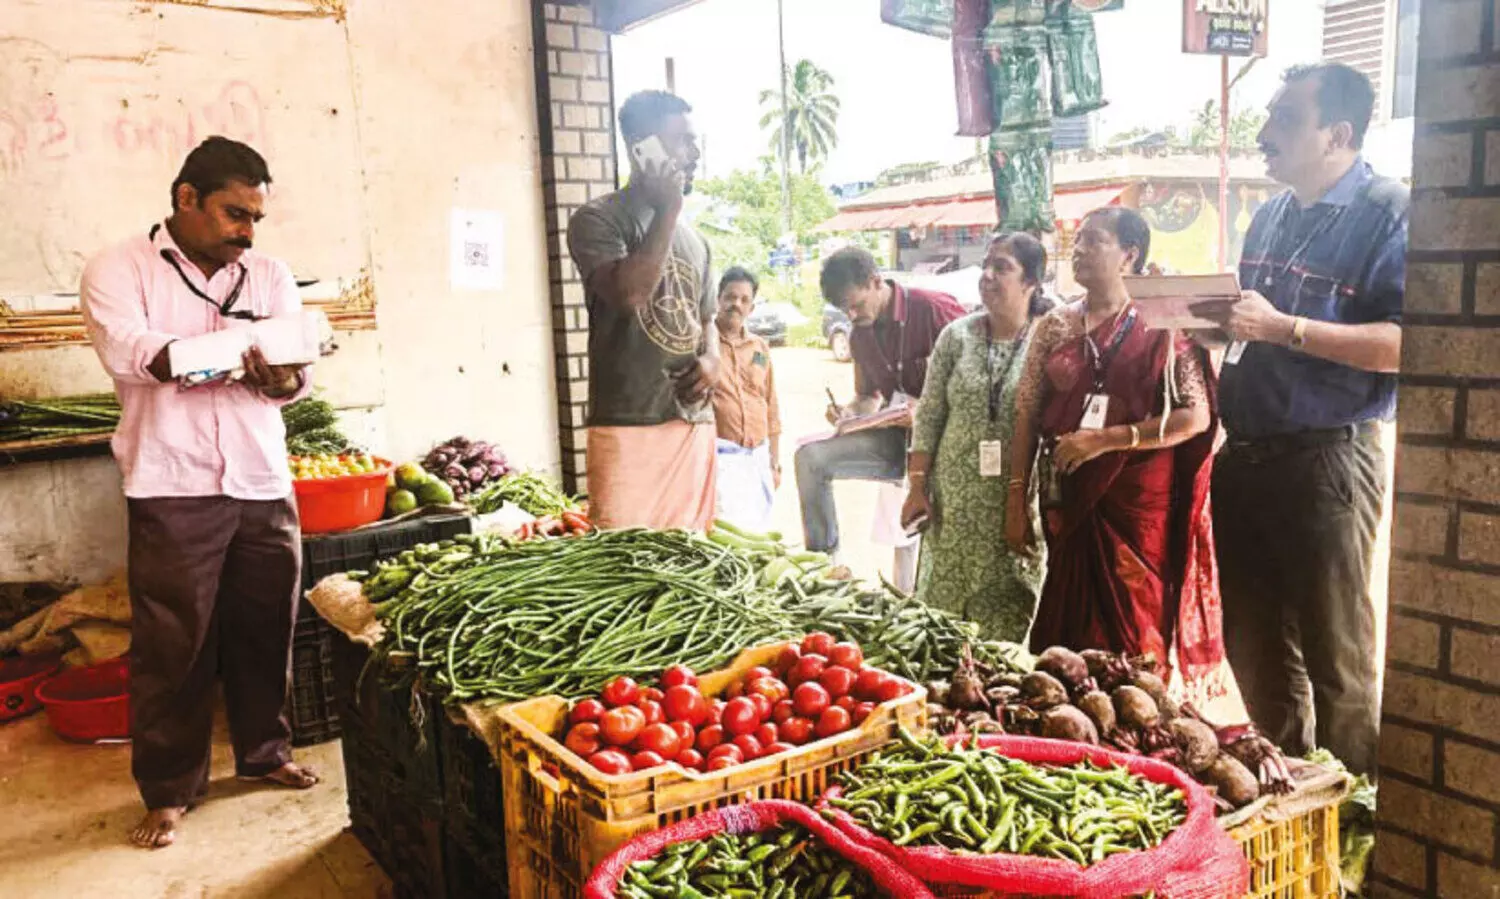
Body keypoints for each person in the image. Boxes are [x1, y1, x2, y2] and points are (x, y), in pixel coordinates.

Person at [79, 137, 319, 850]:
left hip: (260, 476)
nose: (246, 231)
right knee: (172, 642)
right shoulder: (119, 268)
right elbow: (130, 350)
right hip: (171, 478)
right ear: (186, 198)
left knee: (263, 624)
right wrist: (218, 356)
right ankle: (170, 789)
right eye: (233, 212)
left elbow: (296, 372)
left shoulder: (269, 274)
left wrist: (282, 379)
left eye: (255, 217)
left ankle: (264, 752)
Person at [1191, 63, 1406, 775]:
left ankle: (1353, 822)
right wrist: (1214, 329)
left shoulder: (1388, 211)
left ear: (1337, 133)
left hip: (1327, 459)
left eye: (1285, 119)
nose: (1264, 134)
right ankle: (1291, 800)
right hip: (1246, 455)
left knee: (1336, 656)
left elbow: (1407, 344)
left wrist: (1285, 328)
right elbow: (1257, 329)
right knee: (1254, 646)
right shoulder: (1271, 213)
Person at [1006, 207, 1230, 706]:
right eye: (1078, 239)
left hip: (1137, 507)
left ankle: (1136, 724)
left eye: (1094, 240)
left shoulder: (1167, 325)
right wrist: (1015, 497)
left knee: (1135, 635)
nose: (1079, 249)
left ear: (1130, 253)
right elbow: (1025, 413)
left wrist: (1105, 440)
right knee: (1065, 631)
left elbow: (1193, 418)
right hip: (1069, 494)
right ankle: (1068, 727)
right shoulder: (1055, 326)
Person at [567, 90, 719, 530]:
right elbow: (630, 294)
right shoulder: (598, 220)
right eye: (682, 142)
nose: (694, 153)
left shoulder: (698, 242)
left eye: (696, 141)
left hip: (693, 423)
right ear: (642, 149)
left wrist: (713, 359)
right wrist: (669, 208)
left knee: (692, 561)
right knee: (623, 566)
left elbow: (706, 318)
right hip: (629, 424)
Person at [901, 233, 1054, 642]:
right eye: (986, 265)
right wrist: (917, 487)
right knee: (941, 623)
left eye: (1002, 267)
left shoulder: (1050, 340)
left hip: (1015, 502)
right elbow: (930, 413)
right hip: (952, 502)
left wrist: (1025, 502)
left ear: (1031, 282)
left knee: (1004, 620)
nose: (987, 275)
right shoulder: (957, 335)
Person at [794, 247, 965, 580]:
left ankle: (929, 592)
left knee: (920, 543)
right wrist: (849, 412)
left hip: (949, 446)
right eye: (845, 310)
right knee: (809, 458)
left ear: (876, 282)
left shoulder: (932, 309)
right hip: (898, 443)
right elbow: (866, 398)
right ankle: (826, 568)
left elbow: (979, 379)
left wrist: (930, 411)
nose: (853, 315)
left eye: (857, 304)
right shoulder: (861, 335)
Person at [710, 267, 783, 532]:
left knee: (758, 536)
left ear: (751, 307)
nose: (736, 304)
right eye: (730, 297)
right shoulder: (701, 344)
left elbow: (770, 404)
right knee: (728, 537)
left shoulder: (759, 348)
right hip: (720, 462)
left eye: (744, 300)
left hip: (758, 460)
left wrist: (774, 463)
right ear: (718, 299)